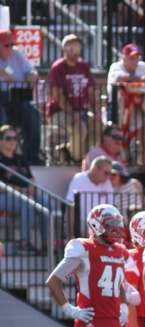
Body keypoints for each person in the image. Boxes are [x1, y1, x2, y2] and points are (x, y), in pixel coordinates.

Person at [46, 34, 101, 164]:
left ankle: (76, 154)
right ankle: (75, 159)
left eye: (77, 45)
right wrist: (72, 112)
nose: (76, 48)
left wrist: (96, 111)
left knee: (99, 128)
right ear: (65, 49)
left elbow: (91, 91)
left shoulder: (84, 66)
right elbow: (57, 95)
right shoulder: (58, 67)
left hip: (82, 111)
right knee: (79, 128)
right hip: (60, 112)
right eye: (72, 45)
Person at [107, 43, 145, 157]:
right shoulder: (116, 66)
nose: (134, 61)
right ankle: (121, 141)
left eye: (136, 58)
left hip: (138, 108)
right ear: (123, 58)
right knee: (122, 98)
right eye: (131, 58)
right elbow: (120, 79)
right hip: (117, 109)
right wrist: (140, 79)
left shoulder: (142, 66)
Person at [0, 125, 47, 252]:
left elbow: (31, 180)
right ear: (1, 141)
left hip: (25, 194)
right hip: (5, 196)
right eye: (8, 138)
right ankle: (24, 242)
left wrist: (32, 189)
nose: (12, 141)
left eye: (15, 138)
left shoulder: (20, 159)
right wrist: (23, 191)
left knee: (46, 202)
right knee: (27, 203)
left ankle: (46, 243)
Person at [0, 30, 41, 163]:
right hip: (1, 98)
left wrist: (32, 75)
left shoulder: (17, 54)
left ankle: (31, 156)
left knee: (33, 114)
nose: (11, 48)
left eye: (12, 44)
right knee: (2, 116)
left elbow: (30, 71)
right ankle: (3, 156)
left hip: (18, 97)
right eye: (7, 45)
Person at [66, 156, 114, 223]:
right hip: (81, 224)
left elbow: (111, 206)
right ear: (95, 169)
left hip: (101, 226)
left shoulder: (107, 183)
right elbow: (70, 204)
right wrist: (72, 230)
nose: (108, 176)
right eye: (106, 173)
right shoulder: (79, 179)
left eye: (110, 173)